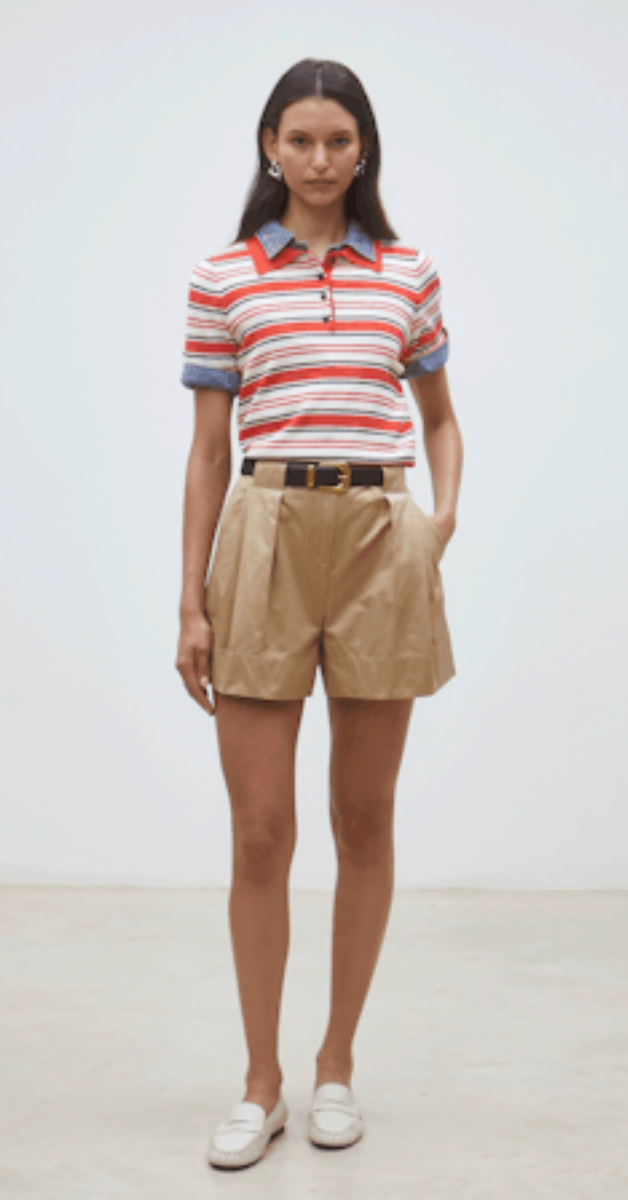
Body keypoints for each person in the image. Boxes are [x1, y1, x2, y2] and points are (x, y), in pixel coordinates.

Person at [176, 57, 463, 1170]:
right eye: (299, 139)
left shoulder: (407, 272)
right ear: (269, 146)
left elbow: (440, 418)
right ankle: (262, 1083)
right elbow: (209, 452)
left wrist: (437, 523)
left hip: (381, 538)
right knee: (260, 831)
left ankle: (336, 1064)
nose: (319, 159)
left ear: (363, 149)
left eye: (338, 140)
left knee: (363, 820)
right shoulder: (224, 277)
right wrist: (190, 599)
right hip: (262, 533)